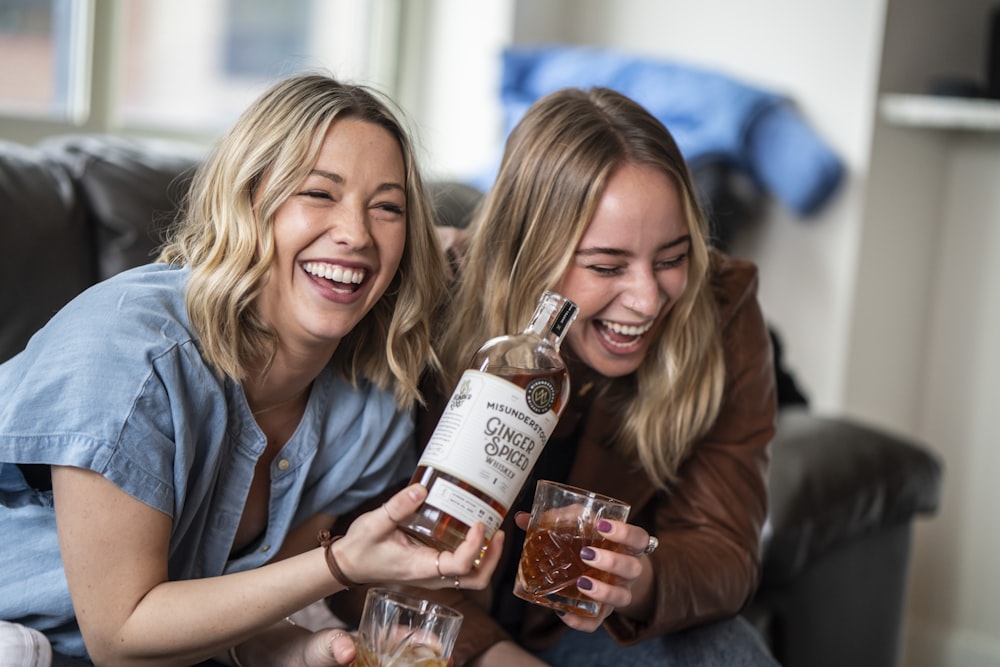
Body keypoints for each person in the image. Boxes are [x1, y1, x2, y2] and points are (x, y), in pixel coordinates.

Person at [0, 74, 503, 667]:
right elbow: (122, 634)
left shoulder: (368, 415)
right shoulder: (129, 353)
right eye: (319, 193)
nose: (356, 234)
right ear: (248, 200)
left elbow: (228, 609)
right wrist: (337, 564)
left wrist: (312, 649)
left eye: (387, 207)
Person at [334, 86, 779, 666]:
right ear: (527, 252)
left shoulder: (720, 308)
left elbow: (724, 548)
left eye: (672, 258)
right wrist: (491, 654)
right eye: (605, 265)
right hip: (439, 616)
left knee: (726, 650)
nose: (647, 299)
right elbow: (349, 538)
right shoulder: (427, 300)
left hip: (588, 624)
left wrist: (632, 581)